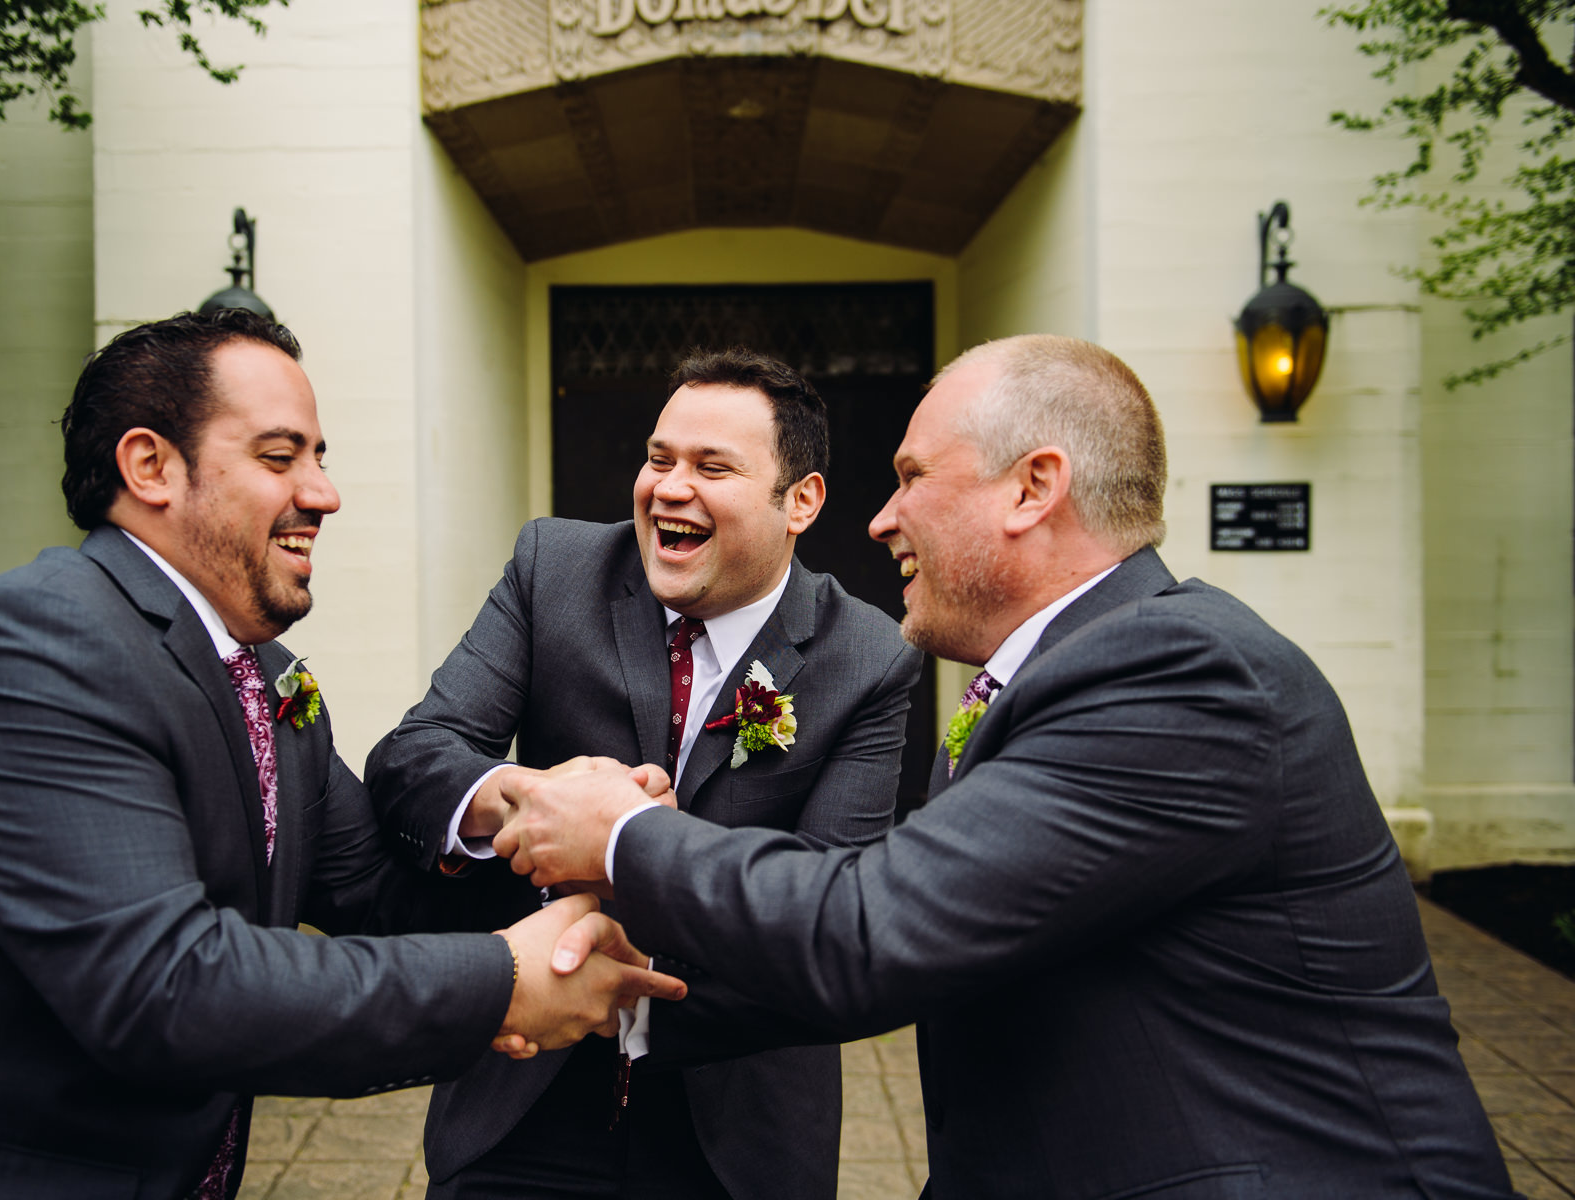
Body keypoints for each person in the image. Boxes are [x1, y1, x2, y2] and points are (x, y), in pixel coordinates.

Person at [494, 334, 1520, 1199]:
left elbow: (873, 926)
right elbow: (940, 951)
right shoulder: (1065, 677)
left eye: (910, 479)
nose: (880, 519)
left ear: (1034, 487)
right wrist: (584, 999)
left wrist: (620, 832)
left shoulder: (1181, 669)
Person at [0, 310, 682, 1200]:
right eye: (280, 457)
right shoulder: (35, 640)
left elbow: (378, 892)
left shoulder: (269, 680)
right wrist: (505, 984)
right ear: (150, 467)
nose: (323, 493)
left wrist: (589, 860)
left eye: (320, 458)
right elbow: (165, 986)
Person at [364, 347, 922, 1199]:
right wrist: (522, 798)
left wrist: (635, 941)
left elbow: (829, 903)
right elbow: (414, 758)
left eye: (712, 467)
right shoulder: (553, 570)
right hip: (524, 1091)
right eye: (659, 458)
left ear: (800, 501)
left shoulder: (868, 656)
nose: (668, 487)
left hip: (735, 1121)